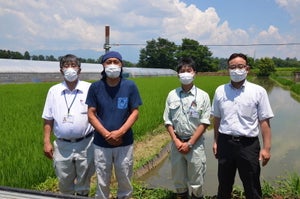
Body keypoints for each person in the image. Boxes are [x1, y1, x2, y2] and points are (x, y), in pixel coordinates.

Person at [211, 53, 274, 199]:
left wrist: (266, 148)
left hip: (248, 145)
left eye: (240, 66)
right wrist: (215, 141)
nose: (236, 70)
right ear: (228, 69)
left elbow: (264, 121)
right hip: (225, 142)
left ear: (247, 69)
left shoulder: (258, 91)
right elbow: (217, 118)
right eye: (232, 67)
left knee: (252, 185)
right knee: (224, 184)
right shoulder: (220, 91)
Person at [86, 51, 142, 199]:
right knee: (102, 180)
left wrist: (120, 132)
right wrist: (106, 134)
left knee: (124, 178)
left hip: (124, 142)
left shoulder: (130, 86)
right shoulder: (95, 87)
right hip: (101, 143)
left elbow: (134, 112)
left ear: (121, 65)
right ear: (103, 66)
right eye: (108, 62)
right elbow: (91, 113)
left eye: (115, 62)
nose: (112, 65)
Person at [42, 54, 95, 196]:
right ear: (61, 70)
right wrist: (46, 142)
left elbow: (97, 114)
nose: (70, 69)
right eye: (66, 66)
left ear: (79, 70)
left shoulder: (89, 88)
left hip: (86, 143)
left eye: (73, 65)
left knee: (84, 181)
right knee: (64, 181)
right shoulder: (54, 91)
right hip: (62, 145)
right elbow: (48, 119)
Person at [163, 57, 211, 199]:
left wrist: (190, 143)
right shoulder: (172, 94)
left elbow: (204, 122)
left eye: (188, 70)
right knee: (178, 179)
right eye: (182, 71)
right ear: (178, 74)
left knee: (197, 181)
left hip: (195, 145)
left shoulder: (203, 96)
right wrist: (176, 141)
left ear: (194, 72)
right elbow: (167, 120)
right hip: (176, 143)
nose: (185, 74)